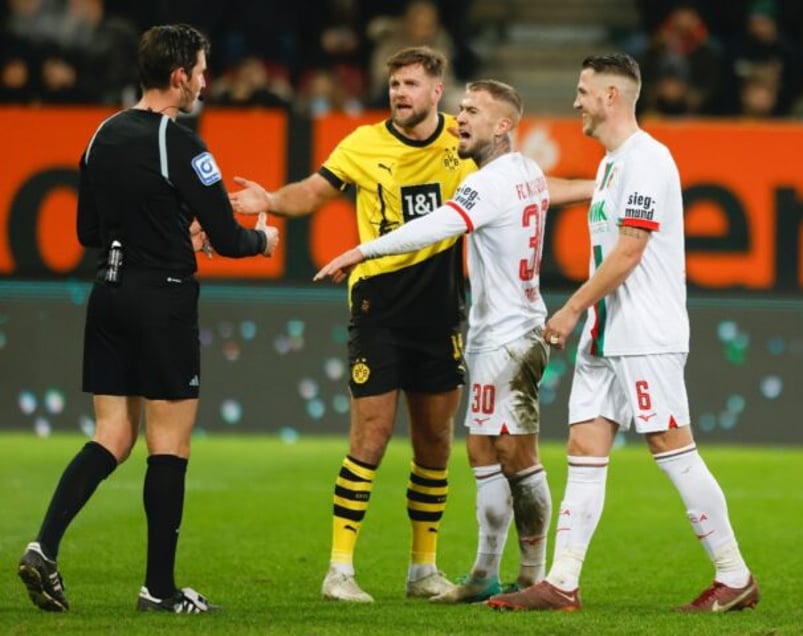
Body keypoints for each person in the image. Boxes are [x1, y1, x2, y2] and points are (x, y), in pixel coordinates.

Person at [17, 23, 279, 614]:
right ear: (180, 76)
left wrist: (166, 227)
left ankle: (44, 546)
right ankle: (158, 590)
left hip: (108, 293)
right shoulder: (181, 143)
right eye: (203, 72)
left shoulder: (102, 134)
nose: (207, 83)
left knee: (111, 435)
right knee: (169, 444)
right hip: (162, 301)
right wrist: (264, 240)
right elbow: (230, 240)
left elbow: (88, 232)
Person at [486, 53, 759, 613]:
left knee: (669, 444)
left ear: (611, 97)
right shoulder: (611, 165)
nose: (575, 102)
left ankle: (734, 575)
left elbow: (630, 251)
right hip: (606, 332)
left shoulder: (648, 160)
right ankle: (562, 582)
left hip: (645, 331)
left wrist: (568, 310)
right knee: (585, 447)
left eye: (583, 91)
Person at [314, 80, 594, 604]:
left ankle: (534, 572)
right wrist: (598, 185)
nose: (458, 118)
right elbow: (546, 190)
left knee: (517, 456)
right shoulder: (523, 170)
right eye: (459, 108)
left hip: (513, 339)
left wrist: (362, 251)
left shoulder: (486, 183)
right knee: (482, 453)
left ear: (503, 126)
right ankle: (484, 574)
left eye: (472, 111)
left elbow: (438, 225)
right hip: (492, 337)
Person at [230, 45, 475, 604]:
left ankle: (423, 570)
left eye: (411, 84)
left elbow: (514, 185)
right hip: (378, 310)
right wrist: (268, 198)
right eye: (394, 84)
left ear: (437, 91)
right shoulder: (363, 144)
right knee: (370, 435)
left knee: (436, 442)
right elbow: (313, 193)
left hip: (440, 312)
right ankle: (339, 569)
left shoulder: (462, 144)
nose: (399, 93)